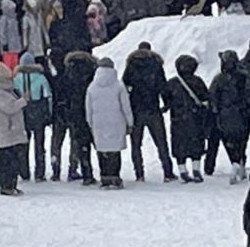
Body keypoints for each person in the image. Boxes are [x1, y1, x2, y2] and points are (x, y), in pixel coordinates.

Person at [122, 42, 177, 182]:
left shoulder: (131, 65)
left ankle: (139, 173)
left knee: (136, 145)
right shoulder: (156, 65)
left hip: (136, 110)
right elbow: (162, 86)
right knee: (161, 142)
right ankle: (168, 172)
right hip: (153, 108)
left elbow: (125, 86)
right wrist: (167, 104)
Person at [85, 57, 134, 189]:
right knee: (114, 151)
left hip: (98, 122)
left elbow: (88, 108)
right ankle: (115, 177)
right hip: (116, 122)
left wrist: (90, 123)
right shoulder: (118, 85)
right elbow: (126, 106)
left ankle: (105, 177)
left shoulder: (92, 87)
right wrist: (130, 122)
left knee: (102, 151)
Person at [209, 50, 250, 185]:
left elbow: (213, 97)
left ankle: (234, 162)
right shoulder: (244, 77)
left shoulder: (219, 79)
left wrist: (216, 110)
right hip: (243, 114)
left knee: (229, 140)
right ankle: (241, 162)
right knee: (242, 140)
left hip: (225, 114)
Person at [166, 55, 211, 183]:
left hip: (178, 119)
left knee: (179, 146)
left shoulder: (173, 83)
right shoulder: (198, 82)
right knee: (196, 144)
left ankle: (182, 171)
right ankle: (196, 170)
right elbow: (206, 98)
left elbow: (166, 98)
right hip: (195, 119)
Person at [12, 52, 53, 182]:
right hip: (38, 113)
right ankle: (39, 172)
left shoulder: (16, 78)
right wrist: (49, 114)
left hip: (23, 113)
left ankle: (24, 171)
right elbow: (48, 96)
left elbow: (13, 96)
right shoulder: (41, 77)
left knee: (23, 144)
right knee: (39, 144)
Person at [0, 61, 27, 196]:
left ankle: (9, 184)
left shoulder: (3, 90)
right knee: (7, 160)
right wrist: (23, 101)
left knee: (10, 158)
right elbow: (10, 107)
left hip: (8, 129)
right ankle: (6, 185)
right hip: (5, 130)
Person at [62, 50, 98, 184]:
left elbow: (65, 91)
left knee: (81, 143)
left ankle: (86, 172)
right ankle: (107, 171)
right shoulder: (93, 69)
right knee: (98, 142)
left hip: (76, 110)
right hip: (92, 110)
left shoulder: (69, 70)